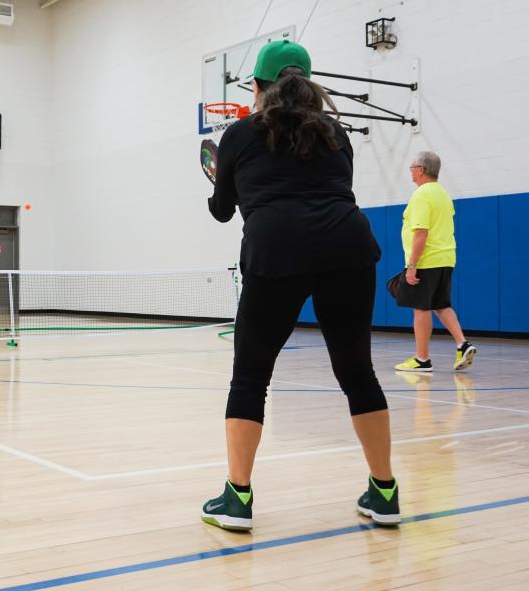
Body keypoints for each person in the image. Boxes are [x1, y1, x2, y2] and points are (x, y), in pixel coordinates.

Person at [202, 41, 398, 530]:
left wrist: (215, 184)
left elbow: (224, 209)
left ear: (259, 87)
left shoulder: (240, 134)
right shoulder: (337, 134)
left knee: (250, 377)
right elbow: (334, 188)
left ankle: (238, 499)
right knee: (358, 374)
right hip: (348, 248)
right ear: (310, 86)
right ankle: (384, 492)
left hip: (276, 249)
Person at [394, 152, 476, 372]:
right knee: (441, 304)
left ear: (420, 169)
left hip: (426, 260)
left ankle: (422, 359)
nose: (410, 171)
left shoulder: (421, 195)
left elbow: (421, 233)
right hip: (446, 257)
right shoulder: (443, 194)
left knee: (421, 309)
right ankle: (462, 343)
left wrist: (412, 266)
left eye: (411, 167)